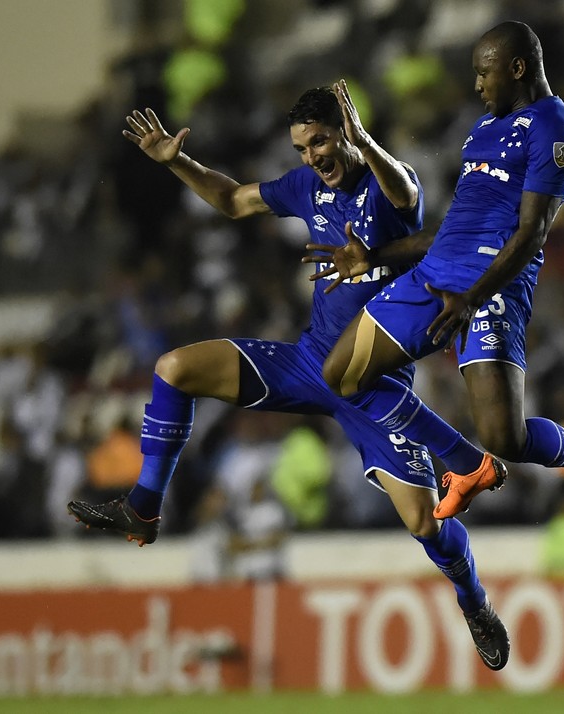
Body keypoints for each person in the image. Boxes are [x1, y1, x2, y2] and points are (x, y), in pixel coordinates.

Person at [67, 83, 509, 670]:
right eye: (302, 147)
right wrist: (179, 164)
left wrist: (362, 143)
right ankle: (145, 508)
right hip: (308, 363)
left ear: (345, 133)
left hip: (371, 382)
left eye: (321, 141)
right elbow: (232, 201)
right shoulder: (306, 186)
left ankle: (474, 600)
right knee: (173, 369)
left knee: (425, 523)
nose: (311, 157)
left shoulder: (386, 182)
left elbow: (405, 188)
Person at [314, 21, 564, 520]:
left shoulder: (556, 125)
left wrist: (472, 296)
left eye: (484, 73)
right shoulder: (484, 128)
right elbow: (454, 230)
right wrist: (375, 257)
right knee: (340, 376)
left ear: (517, 69)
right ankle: (466, 466)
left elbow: (531, 232)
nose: (477, 85)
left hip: (490, 290)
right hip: (432, 277)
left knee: (504, 437)